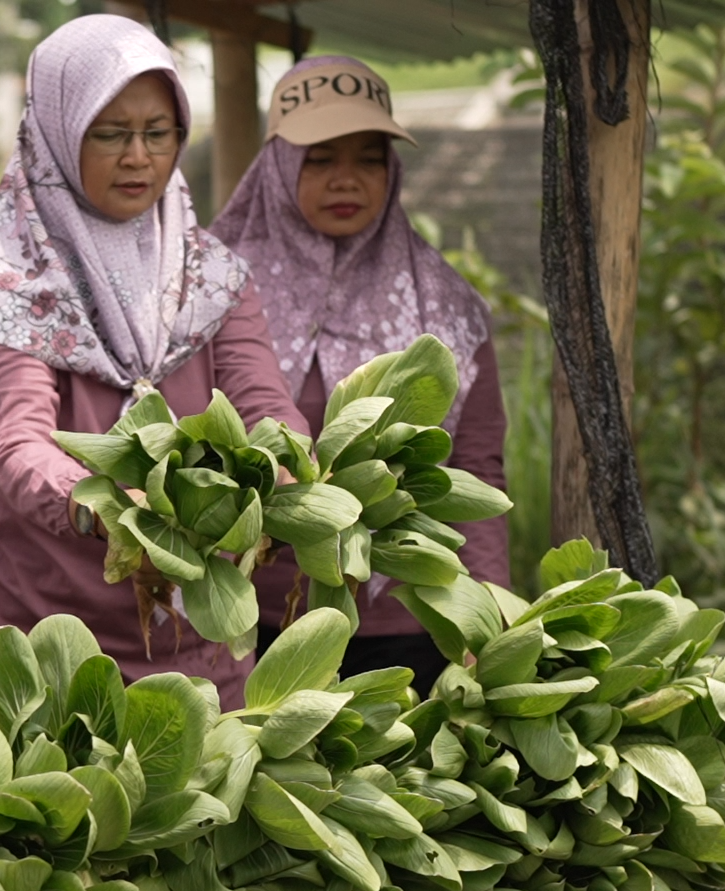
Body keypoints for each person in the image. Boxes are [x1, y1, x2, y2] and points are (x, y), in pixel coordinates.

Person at [0, 14, 306, 711]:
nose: (139, 157)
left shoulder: (210, 277)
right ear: (57, 134)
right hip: (47, 630)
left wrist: (290, 462)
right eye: (110, 134)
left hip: (197, 620)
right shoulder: (11, 291)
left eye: (158, 132)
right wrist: (102, 509)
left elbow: (262, 400)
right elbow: (15, 444)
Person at [211, 55, 509, 692]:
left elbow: (478, 468)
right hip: (244, 618)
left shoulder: (445, 304)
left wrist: (484, 617)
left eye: (369, 158)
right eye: (319, 159)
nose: (346, 179)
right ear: (278, 166)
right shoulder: (211, 291)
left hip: (406, 618)